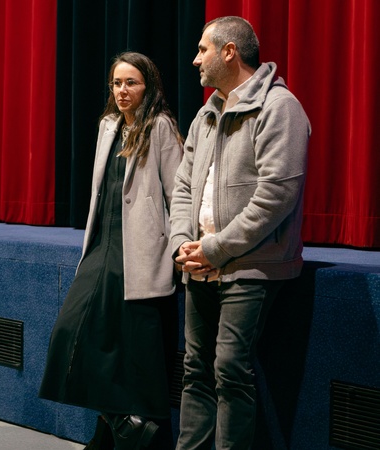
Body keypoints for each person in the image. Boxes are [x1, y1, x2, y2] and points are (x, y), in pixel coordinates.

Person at [169, 16, 310, 449]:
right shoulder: (206, 113)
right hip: (200, 263)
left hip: (251, 266)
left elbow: (274, 197)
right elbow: (183, 186)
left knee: (230, 369)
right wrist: (181, 244)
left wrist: (214, 248)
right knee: (195, 369)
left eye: (202, 50)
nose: (195, 60)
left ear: (229, 51)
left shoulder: (279, 107)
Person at [39, 51, 183, 450]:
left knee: (133, 356)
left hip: (141, 254)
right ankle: (123, 424)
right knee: (71, 334)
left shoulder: (161, 128)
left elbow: (178, 196)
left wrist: (177, 251)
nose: (122, 91)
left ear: (147, 85)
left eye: (130, 82)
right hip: (102, 247)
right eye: (116, 83)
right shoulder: (109, 126)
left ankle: (117, 435)